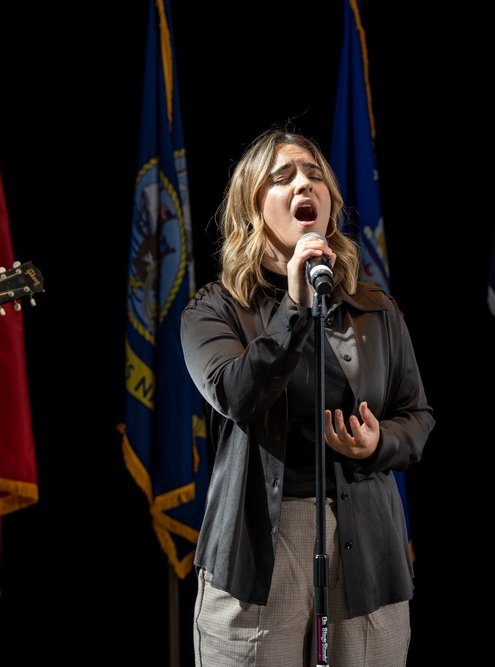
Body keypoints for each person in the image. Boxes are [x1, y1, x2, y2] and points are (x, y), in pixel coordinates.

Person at [180, 127, 434, 667]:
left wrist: (379, 442)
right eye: (283, 177)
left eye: (315, 175)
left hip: (367, 540)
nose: (305, 184)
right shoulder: (213, 309)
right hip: (260, 550)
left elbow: (418, 417)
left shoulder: (375, 308)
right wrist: (295, 308)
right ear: (252, 207)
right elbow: (235, 394)